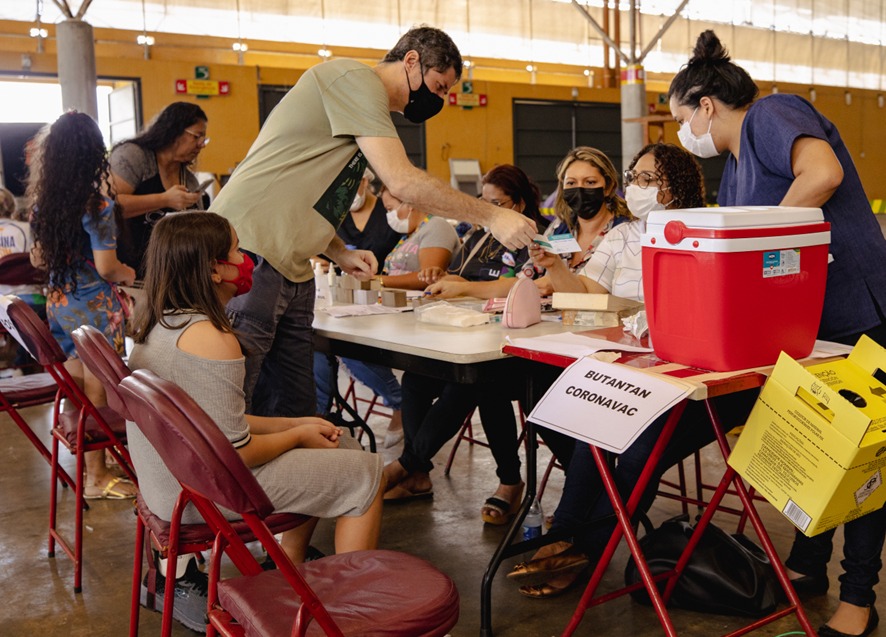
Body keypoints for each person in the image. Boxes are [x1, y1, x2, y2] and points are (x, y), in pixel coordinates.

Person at [669, 30, 886, 637]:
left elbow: (821, 173)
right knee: (817, 452)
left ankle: (860, 595)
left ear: (706, 104)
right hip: (807, 329)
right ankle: (810, 566)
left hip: (857, 315)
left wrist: (763, 242)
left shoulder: (770, 114)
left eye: (680, 117)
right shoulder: (737, 167)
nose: (682, 132)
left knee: (860, 453)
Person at [209, 25, 536, 420]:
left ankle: (284, 481)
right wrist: (491, 214)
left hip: (290, 267)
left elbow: (311, 191)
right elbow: (401, 180)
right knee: (238, 405)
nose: (439, 100)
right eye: (438, 86)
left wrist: (338, 251)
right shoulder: (353, 79)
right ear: (411, 61)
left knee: (292, 409)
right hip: (252, 251)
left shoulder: (362, 109)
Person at [506, 143, 764, 600]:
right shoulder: (625, 235)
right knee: (595, 425)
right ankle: (566, 537)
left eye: (649, 178)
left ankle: (583, 550)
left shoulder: (708, 231)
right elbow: (587, 291)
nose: (637, 187)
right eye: (635, 177)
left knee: (638, 443)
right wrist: (555, 267)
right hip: (641, 370)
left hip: (697, 381)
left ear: (677, 184)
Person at [126, 211, 385, 630]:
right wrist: (299, 433)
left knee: (339, 444)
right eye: (235, 250)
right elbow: (237, 451)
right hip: (202, 496)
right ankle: (345, 615)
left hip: (170, 483)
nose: (246, 259)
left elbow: (212, 421)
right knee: (369, 474)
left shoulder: (160, 321)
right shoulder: (213, 337)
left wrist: (293, 425)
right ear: (212, 269)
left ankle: (291, 570)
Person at [382, 165, 547, 514]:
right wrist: (441, 276)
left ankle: (410, 465)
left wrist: (463, 287)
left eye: (496, 203)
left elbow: (520, 284)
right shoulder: (478, 235)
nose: (486, 210)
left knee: (472, 384)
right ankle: (419, 475)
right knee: (415, 378)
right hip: (462, 328)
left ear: (517, 205)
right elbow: (461, 274)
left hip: (507, 341)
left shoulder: (531, 236)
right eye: (482, 202)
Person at [27, 111, 138, 500]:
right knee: (99, 392)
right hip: (93, 307)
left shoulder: (44, 206)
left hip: (58, 302)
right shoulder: (97, 205)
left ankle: (96, 472)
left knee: (79, 391)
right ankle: (97, 477)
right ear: (94, 153)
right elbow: (108, 268)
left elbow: (39, 261)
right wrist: (128, 272)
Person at [425, 146, 632, 299]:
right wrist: (462, 286)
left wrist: (551, 280)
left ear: (608, 187)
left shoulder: (622, 233)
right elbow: (525, 281)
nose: (579, 189)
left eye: (590, 182)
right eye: (571, 183)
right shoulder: (560, 228)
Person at [313, 168, 405, 446]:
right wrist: (326, 260)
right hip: (344, 297)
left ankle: (399, 402)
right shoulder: (334, 214)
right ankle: (320, 416)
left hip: (386, 296)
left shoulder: (389, 215)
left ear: (365, 181)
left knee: (351, 351)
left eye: (352, 184)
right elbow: (317, 247)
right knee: (319, 345)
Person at [110, 102, 208, 278]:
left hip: (170, 278)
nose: (202, 144)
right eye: (197, 136)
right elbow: (110, 205)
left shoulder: (189, 180)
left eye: (204, 139)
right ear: (174, 131)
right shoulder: (135, 156)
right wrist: (165, 200)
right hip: (129, 275)